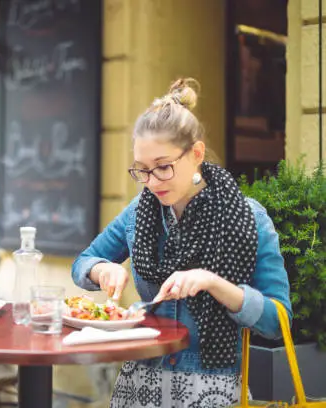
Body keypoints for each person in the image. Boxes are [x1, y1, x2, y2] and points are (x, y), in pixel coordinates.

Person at [71, 78, 291, 407]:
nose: (151, 182)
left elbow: (279, 321)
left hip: (212, 388)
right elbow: (83, 263)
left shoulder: (248, 217)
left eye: (163, 167)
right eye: (142, 170)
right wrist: (101, 270)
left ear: (196, 154)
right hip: (141, 385)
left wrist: (213, 283)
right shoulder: (138, 214)